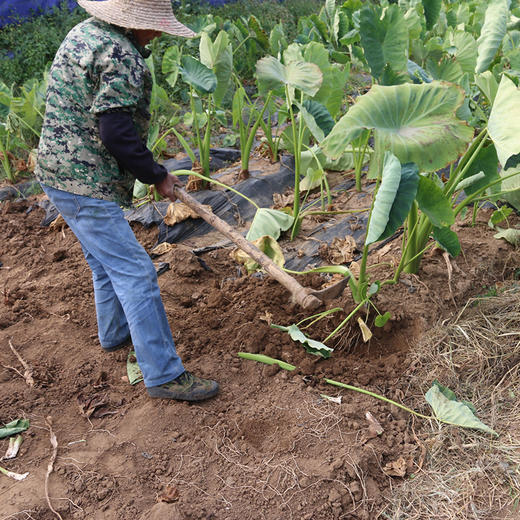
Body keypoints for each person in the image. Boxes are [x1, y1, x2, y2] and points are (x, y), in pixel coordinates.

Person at [35, 0, 218, 401]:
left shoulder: (84, 32)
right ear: (138, 24)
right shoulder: (123, 56)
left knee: (105, 261)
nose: (159, 33)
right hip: (82, 182)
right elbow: (115, 132)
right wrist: (156, 174)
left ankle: (115, 334)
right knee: (136, 272)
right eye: (157, 26)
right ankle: (165, 375)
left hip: (54, 171)